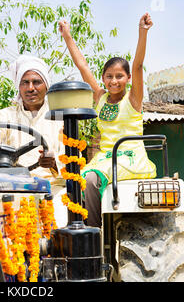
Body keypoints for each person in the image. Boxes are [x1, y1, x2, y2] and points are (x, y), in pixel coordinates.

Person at [59, 13, 157, 227]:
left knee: (92, 179)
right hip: (105, 157)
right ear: (103, 78)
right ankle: (77, 230)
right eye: (109, 76)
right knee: (73, 178)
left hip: (129, 157)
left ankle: (95, 233)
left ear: (128, 79)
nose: (114, 81)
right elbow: (83, 66)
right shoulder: (100, 97)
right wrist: (67, 37)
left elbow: (138, 65)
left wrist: (143, 32)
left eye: (119, 76)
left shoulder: (133, 99)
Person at [0, 55, 68, 227]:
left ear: (46, 86)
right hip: (11, 186)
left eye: (36, 82)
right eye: (24, 83)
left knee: (60, 223)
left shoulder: (60, 118)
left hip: (52, 189)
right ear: (19, 87)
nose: (30, 88)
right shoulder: (5, 115)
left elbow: (72, 160)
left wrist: (53, 163)